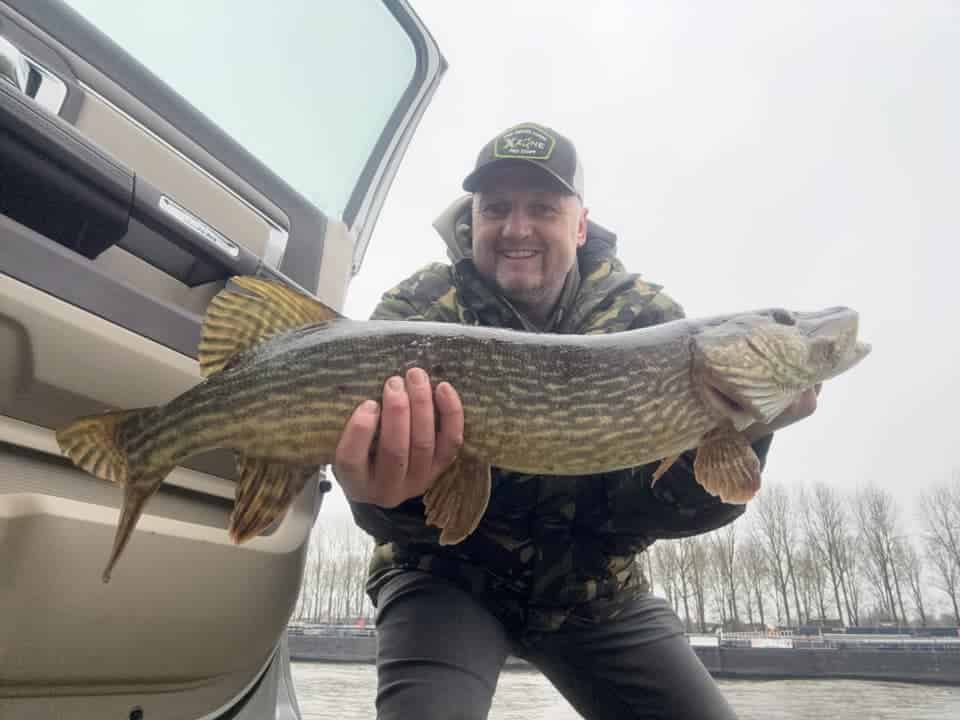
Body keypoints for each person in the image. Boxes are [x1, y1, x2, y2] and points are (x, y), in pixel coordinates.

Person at [332, 122, 819, 720]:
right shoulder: (416, 312)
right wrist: (379, 498)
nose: (516, 227)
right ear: (473, 220)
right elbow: (394, 517)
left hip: (595, 591)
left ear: (579, 224)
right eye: (496, 209)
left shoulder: (648, 319)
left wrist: (748, 429)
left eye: (542, 207)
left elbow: (659, 509)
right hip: (441, 575)